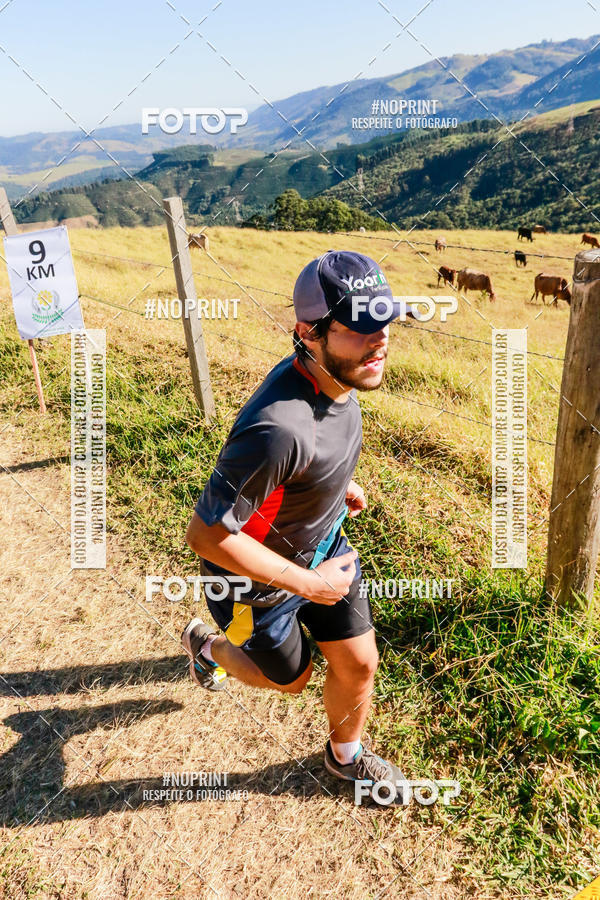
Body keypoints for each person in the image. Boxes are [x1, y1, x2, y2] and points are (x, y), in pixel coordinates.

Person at [182, 250, 413, 802]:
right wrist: (310, 585)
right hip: (251, 590)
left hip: (324, 551)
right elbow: (207, 534)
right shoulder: (278, 428)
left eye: (383, 322)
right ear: (308, 333)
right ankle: (208, 649)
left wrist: (334, 489)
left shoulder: (338, 380)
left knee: (359, 663)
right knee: (291, 679)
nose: (378, 339)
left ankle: (345, 758)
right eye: (359, 327)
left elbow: (307, 462)